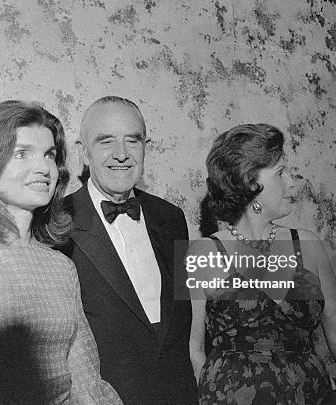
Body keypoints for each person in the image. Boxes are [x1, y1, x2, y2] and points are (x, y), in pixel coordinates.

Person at [0, 100, 122, 404]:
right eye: (21, 153)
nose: (43, 168)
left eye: (49, 155)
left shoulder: (61, 266)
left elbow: (85, 380)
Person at [189, 123, 336, 405]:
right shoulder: (204, 252)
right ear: (251, 182)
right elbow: (195, 348)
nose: (293, 183)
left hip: (308, 396)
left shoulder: (307, 245)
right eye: (281, 173)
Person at [59, 96, 198, 404]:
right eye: (106, 141)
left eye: (132, 141)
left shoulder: (171, 218)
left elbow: (183, 327)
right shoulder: (56, 225)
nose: (121, 154)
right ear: (84, 153)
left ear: (145, 147)